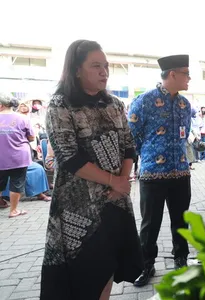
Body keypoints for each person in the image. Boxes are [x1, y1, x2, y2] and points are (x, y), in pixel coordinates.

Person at [41, 40, 142, 300]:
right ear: (76, 70)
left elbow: (129, 147)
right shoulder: (60, 106)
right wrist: (114, 181)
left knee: (108, 267)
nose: (104, 72)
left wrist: (121, 182)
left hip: (115, 202)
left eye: (106, 66)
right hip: (79, 209)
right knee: (83, 273)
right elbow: (68, 157)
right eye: (95, 66)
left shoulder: (114, 105)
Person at [128, 54, 192, 285]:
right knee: (149, 224)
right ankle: (145, 266)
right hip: (152, 174)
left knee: (181, 221)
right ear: (172, 74)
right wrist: (127, 170)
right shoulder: (144, 101)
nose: (189, 78)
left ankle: (181, 260)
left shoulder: (186, 104)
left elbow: (185, 136)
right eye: (186, 73)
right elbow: (131, 138)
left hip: (181, 173)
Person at [0, 93, 32, 217]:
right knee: (17, 183)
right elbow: (31, 137)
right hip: (18, 157)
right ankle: (13, 211)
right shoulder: (22, 118)